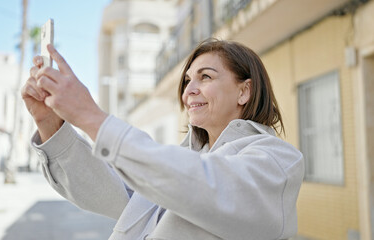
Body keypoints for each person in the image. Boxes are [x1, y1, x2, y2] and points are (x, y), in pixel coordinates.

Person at [22, 38, 304, 240]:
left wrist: (90, 116)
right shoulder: (188, 161)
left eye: (205, 77)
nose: (189, 90)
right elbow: (113, 192)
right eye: (187, 81)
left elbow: (205, 185)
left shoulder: (277, 161)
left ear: (244, 92)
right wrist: (51, 125)